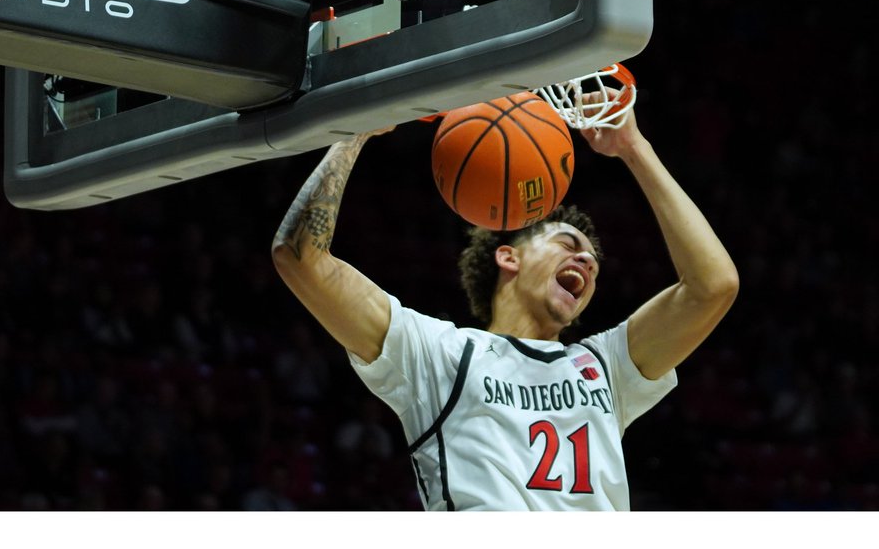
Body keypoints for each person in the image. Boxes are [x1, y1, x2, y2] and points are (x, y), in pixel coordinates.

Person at [271, 88, 738, 511]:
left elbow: (712, 286)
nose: (588, 262)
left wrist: (635, 150)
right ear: (508, 257)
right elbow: (300, 258)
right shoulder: (438, 354)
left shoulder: (605, 365)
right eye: (568, 244)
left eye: (592, 258)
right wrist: (354, 133)